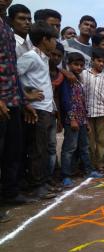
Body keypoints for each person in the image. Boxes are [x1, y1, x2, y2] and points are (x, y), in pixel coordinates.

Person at [1, 0, 35, 216]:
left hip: (13, 99)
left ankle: (10, 193)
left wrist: (23, 101)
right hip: (2, 100)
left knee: (12, 151)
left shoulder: (5, 26)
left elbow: (12, 70)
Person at [17, 21, 57, 199]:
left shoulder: (44, 57)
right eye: (53, 39)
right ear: (44, 39)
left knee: (46, 148)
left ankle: (44, 182)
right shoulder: (30, 56)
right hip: (37, 110)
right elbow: (13, 75)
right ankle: (36, 185)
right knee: (37, 149)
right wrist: (26, 96)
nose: (55, 43)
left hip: (47, 109)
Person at [59, 52, 104, 187]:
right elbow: (66, 101)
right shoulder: (66, 79)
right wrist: (72, 119)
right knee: (69, 148)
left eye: (81, 65)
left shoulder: (79, 80)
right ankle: (66, 175)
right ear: (69, 64)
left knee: (84, 147)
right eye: (75, 65)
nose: (78, 67)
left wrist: (85, 120)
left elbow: (82, 101)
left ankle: (88, 170)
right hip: (71, 120)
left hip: (82, 120)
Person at [80, 48, 104, 172]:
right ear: (93, 60)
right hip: (87, 114)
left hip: (101, 113)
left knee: (101, 141)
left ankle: (100, 163)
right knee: (89, 141)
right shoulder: (83, 74)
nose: (101, 64)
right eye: (99, 61)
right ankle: (90, 165)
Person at [48, 41, 65, 187]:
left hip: (52, 112)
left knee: (52, 145)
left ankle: (53, 173)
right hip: (36, 110)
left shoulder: (60, 75)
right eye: (52, 54)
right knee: (39, 148)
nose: (55, 58)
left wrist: (59, 119)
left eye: (58, 56)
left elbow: (58, 98)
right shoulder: (41, 68)